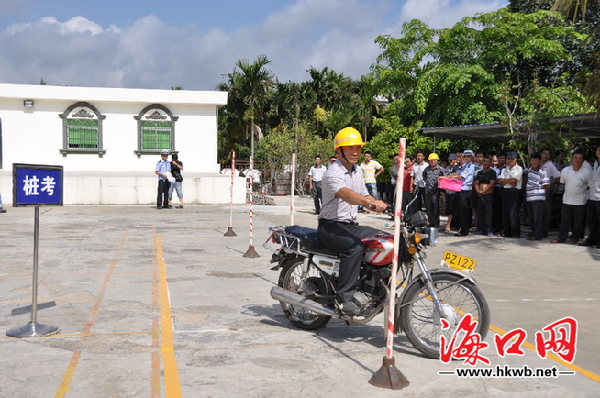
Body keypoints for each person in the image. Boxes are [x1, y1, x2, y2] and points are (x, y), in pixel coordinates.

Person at [317, 127, 387, 316]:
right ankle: (343, 299)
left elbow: (364, 194)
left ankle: (375, 289)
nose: (355, 152)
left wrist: (379, 204)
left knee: (384, 241)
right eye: (349, 148)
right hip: (329, 226)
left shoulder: (357, 171)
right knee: (354, 247)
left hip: (349, 225)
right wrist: (367, 202)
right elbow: (345, 194)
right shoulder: (332, 172)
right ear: (338, 151)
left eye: (357, 147)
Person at [552, 150, 591, 244]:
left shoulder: (587, 172)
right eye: (575, 158)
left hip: (580, 201)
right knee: (564, 221)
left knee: (578, 222)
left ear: (583, 160)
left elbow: (589, 185)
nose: (577, 160)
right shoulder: (566, 170)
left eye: (580, 158)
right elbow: (563, 182)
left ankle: (575, 238)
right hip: (567, 200)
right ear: (572, 159)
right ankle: (561, 237)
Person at [448, 149, 475, 236]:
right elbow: (456, 173)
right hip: (459, 189)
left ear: (472, 157)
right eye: (465, 156)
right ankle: (462, 229)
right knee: (460, 211)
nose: (466, 158)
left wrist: (446, 177)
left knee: (464, 211)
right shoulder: (464, 166)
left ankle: (464, 231)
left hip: (465, 190)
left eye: (468, 156)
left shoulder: (471, 166)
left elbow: (460, 176)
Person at [497, 151, 523, 238]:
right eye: (508, 159)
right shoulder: (504, 169)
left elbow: (514, 181)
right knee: (505, 213)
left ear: (516, 160)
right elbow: (500, 181)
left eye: (512, 159)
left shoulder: (519, 169)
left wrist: (506, 181)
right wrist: (508, 181)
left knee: (513, 213)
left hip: (514, 192)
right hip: (505, 192)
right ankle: (507, 231)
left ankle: (515, 232)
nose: (510, 160)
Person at [525, 153, 550, 240]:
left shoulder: (543, 171)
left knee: (538, 217)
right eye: (532, 160)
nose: (534, 162)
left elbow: (547, 185)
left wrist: (544, 194)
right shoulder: (530, 170)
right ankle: (533, 232)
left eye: (536, 160)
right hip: (529, 197)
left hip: (538, 197)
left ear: (539, 161)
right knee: (531, 217)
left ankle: (538, 234)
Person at [580, 143, 600, 248]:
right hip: (592, 197)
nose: (599, 152)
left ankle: (598, 242)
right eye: (598, 150)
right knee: (593, 221)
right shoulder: (595, 164)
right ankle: (591, 239)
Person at [540, 148, 562, 237]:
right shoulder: (535, 162)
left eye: (548, 154)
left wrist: (550, 185)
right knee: (535, 212)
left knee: (545, 212)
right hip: (534, 192)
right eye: (544, 153)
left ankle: (544, 231)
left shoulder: (550, 165)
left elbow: (558, 177)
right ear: (540, 154)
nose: (546, 156)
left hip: (546, 192)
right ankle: (535, 230)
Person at [473, 156, 496, 236]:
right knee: (481, 213)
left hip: (488, 195)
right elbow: (476, 182)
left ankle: (489, 230)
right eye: (484, 161)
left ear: (490, 163)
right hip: (480, 195)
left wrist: (483, 191)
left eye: (487, 161)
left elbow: (492, 183)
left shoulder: (492, 172)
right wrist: (478, 191)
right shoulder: (479, 172)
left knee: (488, 214)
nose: (485, 163)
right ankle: (482, 229)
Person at [422, 153, 446, 227]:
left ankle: (436, 222)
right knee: (429, 207)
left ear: (437, 161)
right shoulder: (427, 169)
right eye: (431, 160)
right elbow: (424, 176)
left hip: (436, 191)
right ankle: (430, 221)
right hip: (428, 190)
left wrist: (441, 190)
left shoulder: (441, 169)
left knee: (435, 207)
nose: (433, 162)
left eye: (434, 160)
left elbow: (445, 178)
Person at [443, 154, 459, 232]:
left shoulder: (457, 168)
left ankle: (452, 225)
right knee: (449, 207)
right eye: (449, 160)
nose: (450, 161)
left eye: (452, 160)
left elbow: (454, 177)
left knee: (453, 208)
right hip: (448, 190)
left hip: (454, 190)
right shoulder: (447, 168)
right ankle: (452, 224)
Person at [492, 151, 506, 233]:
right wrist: (498, 181)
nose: (500, 160)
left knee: (504, 210)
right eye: (499, 158)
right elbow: (493, 180)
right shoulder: (494, 169)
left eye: (502, 158)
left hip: (505, 190)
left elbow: (504, 181)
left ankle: (504, 228)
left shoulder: (507, 169)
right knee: (496, 210)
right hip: (496, 190)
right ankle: (497, 227)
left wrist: (499, 181)